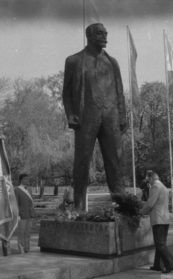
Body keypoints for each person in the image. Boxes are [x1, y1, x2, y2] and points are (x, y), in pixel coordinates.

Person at [62, 23, 127, 211]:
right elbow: (66, 93)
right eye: (100, 33)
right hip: (85, 117)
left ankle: (122, 206)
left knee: (115, 162)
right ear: (89, 36)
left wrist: (122, 115)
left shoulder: (112, 62)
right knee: (82, 162)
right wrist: (70, 114)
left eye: (106, 33)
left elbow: (120, 91)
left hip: (111, 117)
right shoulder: (73, 61)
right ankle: (79, 206)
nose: (105, 36)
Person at [141, 171, 173, 274]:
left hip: (158, 219)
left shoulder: (155, 187)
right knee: (160, 243)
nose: (148, 182)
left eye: (148, 179)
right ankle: (157, 265)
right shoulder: (164, 187)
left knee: (160, 244)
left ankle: (171, 264)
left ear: (151, 178)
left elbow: (150, 203)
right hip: (165, 218)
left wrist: (141, 212)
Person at [14, 174, 35, 253]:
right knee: (21, 233)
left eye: (28, 179)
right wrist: (18, 215)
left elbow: (31, 203)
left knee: (28, 233)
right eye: (26, 179)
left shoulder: (29, 189)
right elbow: (15, 203)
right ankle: (21, 250)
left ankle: (27, 249)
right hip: (21, 215)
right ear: (21, 180)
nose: (27, 180)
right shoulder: (17, 190)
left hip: (29, 214)